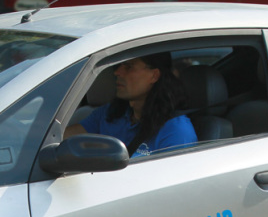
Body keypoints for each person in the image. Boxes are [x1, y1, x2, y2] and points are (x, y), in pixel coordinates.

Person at [65, 52, 197, 157]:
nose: (117, 72)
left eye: (129, 66)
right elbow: (61, 139)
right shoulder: (110, 113)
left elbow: (173, 186)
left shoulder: (176, 131)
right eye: (119, 65)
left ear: (154, 75)